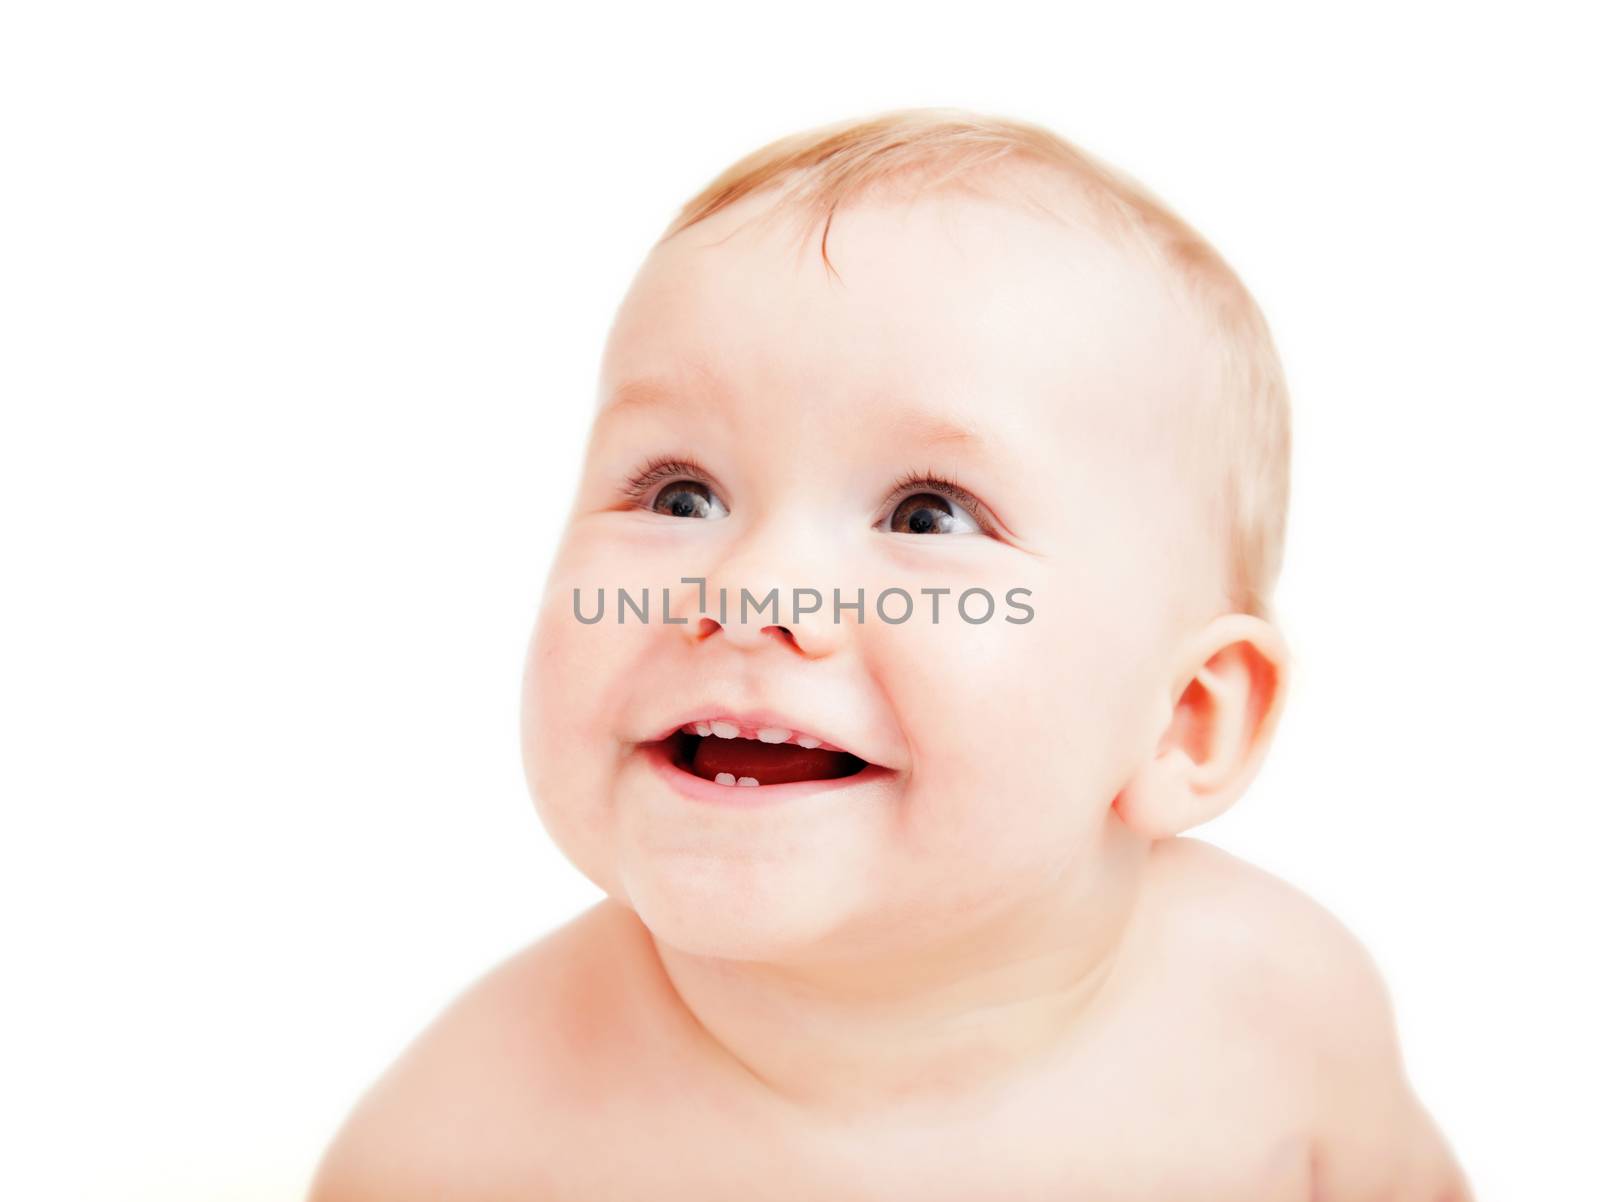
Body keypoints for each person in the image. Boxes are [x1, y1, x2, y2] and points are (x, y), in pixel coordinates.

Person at [308, 107, 1473, 1200]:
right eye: (679, 491)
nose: (752, 589)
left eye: (927, 516)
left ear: (1183, 722)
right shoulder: (470, 1141)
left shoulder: (1274, 1009)